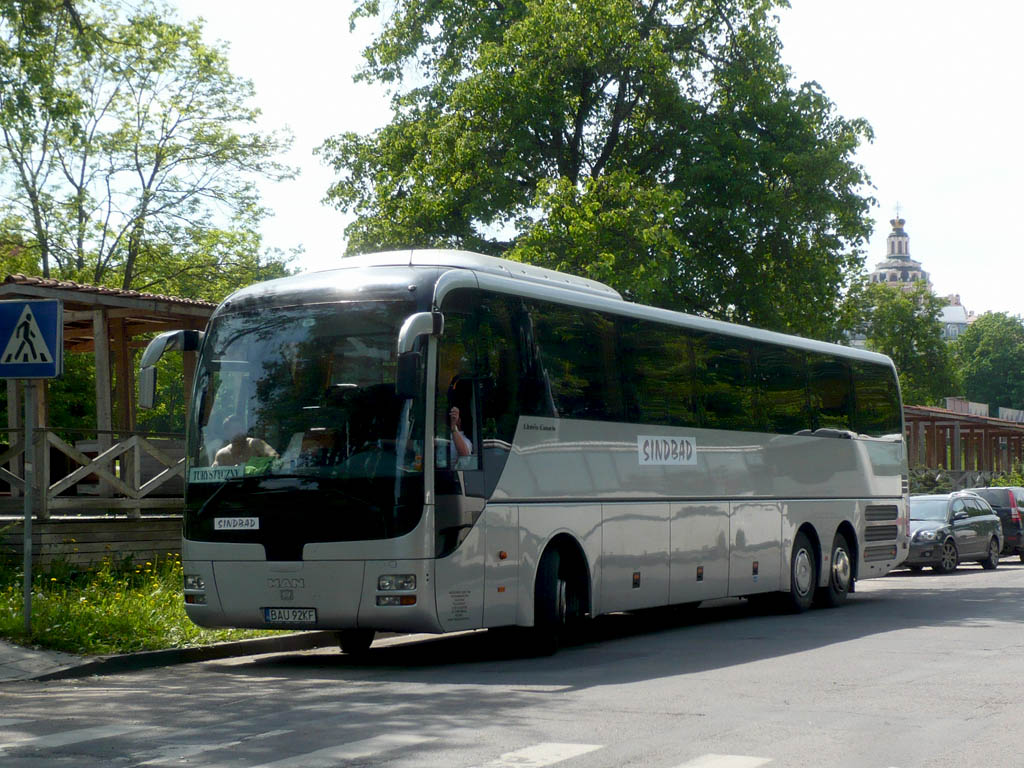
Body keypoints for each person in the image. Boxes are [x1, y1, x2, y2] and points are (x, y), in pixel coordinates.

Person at [212, 415, 279, 467]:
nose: (240, 432)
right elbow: (213, 475)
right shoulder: (222, 455)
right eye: (235, 429)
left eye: (241, 428)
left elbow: (276, 459)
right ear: (227, 433)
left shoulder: (255, 444)